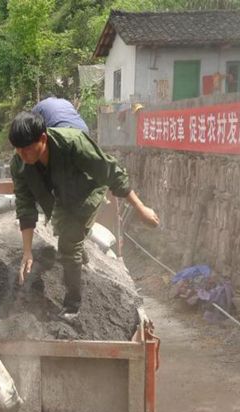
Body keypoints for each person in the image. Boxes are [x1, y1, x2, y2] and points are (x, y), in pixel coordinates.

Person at [9, 111, 159, 320]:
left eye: (26, 149)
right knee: (63, 231)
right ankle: (80, 256)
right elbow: (25, 205)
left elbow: (111, 172)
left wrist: (140, 208)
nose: (22, 155)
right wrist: (27, 252)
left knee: (68, 245)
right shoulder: (19, 163)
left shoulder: (73, 143)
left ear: (42, 138)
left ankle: (72, 306)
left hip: (88, 192)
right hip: (61, 196)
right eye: (17, 149)